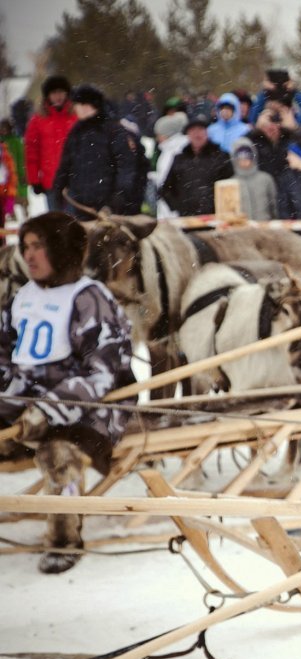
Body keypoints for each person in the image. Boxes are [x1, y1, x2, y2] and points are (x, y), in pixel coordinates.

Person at [0, 212, 134, 573]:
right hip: (25, 406)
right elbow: (4, 353)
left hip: (89, 411)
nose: (29, 256)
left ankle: (65, 539)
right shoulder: (22, 297)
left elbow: (103, 373)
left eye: (39, 246)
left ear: (62, 249)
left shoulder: (89, 299)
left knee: (58, 454)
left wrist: (48, 410)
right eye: (25, 246)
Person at [51, 85, 142, 216]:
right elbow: (66, 163)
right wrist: (58, 188)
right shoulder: (77, 131)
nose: (75, 109)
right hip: (80, 204)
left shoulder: (113, 130)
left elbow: (126, 166)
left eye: (77, 105)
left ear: (87, 105)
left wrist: (119, 196)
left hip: (109, 206)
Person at [159, 114, 233, 216]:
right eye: (193, 131)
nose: (197, 134)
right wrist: (179, 206)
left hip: (215, 218)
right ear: (188, 134)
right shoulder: (180, 159)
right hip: (187, 219)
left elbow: (230, 186)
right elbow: (166, 189)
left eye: (200, 129)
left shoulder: (220, 157)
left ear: (207, 132)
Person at [23, 76, 77, 212]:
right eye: (54, 93)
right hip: (51, 182)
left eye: (61, 92)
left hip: (75, 181)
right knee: (55, 224)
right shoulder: (37, 120)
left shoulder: (76, 116)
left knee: (74, 223)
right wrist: (34, 179)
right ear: (47, 96)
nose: (58, 96)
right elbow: (31, 152)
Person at [231, 137, 278, 221]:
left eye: (247, 156)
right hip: (241, 231)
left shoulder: (265, 179)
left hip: (265, 229)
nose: (244, 160)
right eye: (240, 157)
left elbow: (274, 206)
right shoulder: (231, 183)